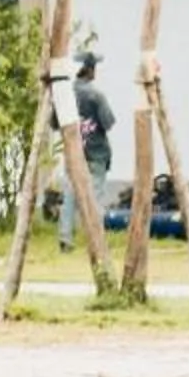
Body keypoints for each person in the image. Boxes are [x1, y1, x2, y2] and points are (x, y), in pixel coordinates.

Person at [58, 51, 116, 249]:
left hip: (73, 154)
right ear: (90, 71)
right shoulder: (96, 95)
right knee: (96, 197)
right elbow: (108, 122)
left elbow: (53, 122)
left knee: (69, 198)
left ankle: (65, 239)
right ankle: (96, 239)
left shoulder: (65, 95)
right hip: (97, 154)